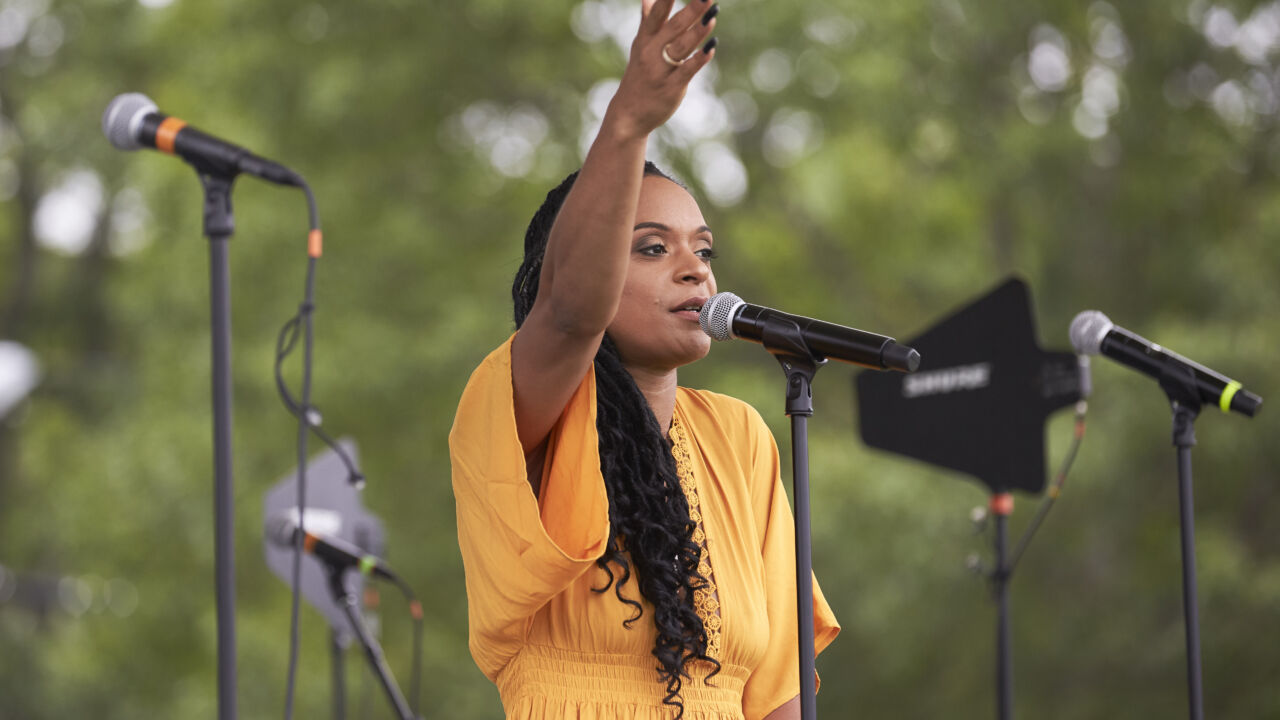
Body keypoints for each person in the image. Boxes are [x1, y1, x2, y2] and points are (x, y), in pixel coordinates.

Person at [449, 1, 839, 717]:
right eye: (653, 247)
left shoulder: (742, 439)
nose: (694, 270)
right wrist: (627, 120)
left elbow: (779, 692)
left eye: (704, 249)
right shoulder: (518, 408)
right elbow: (570, 316)